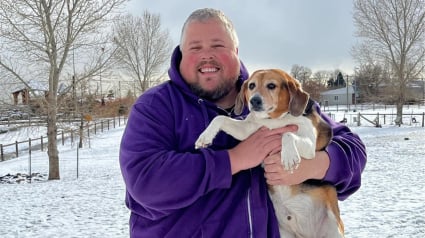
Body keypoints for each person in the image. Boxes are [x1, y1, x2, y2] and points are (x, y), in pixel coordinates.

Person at [119, 8, 366, 238]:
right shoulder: (155, 106)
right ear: (182, 54)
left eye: (218, 45)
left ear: (236, 52)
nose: (207, 55)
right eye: (195, 47)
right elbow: (146, 181)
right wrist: (234, 159)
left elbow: (351, 148)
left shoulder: (276, 97)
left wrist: (316, 165)